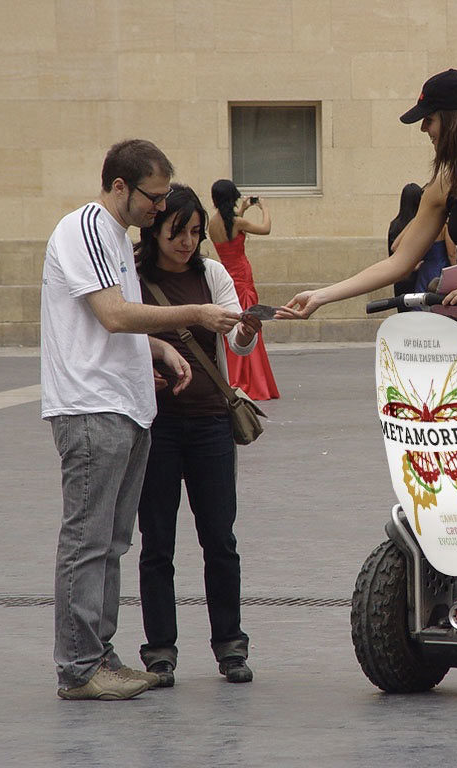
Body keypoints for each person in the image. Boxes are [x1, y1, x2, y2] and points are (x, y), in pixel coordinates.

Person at [278, 69, 457, 632]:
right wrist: (324, 296)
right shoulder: (447, 184)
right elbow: (401, 260)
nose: (424, 131)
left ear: (454, 119)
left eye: (428, 121)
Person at [41, 139, 239, 701]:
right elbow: (112, 313)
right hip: (91, 407)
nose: (160, 207)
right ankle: (78, 667)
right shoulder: (84, 228)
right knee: (87, 539)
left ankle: (99, 653)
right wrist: (194, 315)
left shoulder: (116, 240)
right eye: (154, 196)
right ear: (121, 187)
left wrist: (157, 348)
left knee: (111, 542)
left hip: (125, 407)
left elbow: (120, 322)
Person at [134, 184, 261, 688]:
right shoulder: (132, 277)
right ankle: (160, 650)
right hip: (156, 423)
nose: (187, 242)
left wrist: (247, 330)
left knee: (220, 539)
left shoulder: (211, 273)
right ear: (154, 230)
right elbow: (117, 334)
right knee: (157, 541)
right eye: (176, 232)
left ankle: (230, 645)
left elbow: (236, 339)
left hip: (210, 421)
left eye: (193, 232)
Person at [208, 180, 280, 400]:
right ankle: (254, 381)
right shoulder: (238, 222)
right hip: (242, 276)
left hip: (227, 276)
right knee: (250, 326)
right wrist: (264, 207)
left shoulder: (212, 223)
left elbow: (230, 225)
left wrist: (243, 209)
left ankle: (234, 374)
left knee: (233, 325)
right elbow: (265, 229)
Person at [388, 182, 450, 298]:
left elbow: (394, 247)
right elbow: (452, 254)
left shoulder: (404, 223)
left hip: (418, 273)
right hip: (439, 270)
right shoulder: (443, 225)